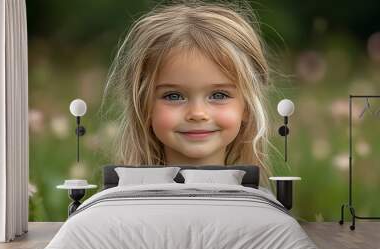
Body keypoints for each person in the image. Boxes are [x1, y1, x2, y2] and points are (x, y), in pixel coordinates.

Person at [101, 0, 274, 184]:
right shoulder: (120, 207)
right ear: (143, 104)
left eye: (219, 95)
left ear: (247, 106)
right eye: (174, 96)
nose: (197, 114)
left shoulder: (260, 207)